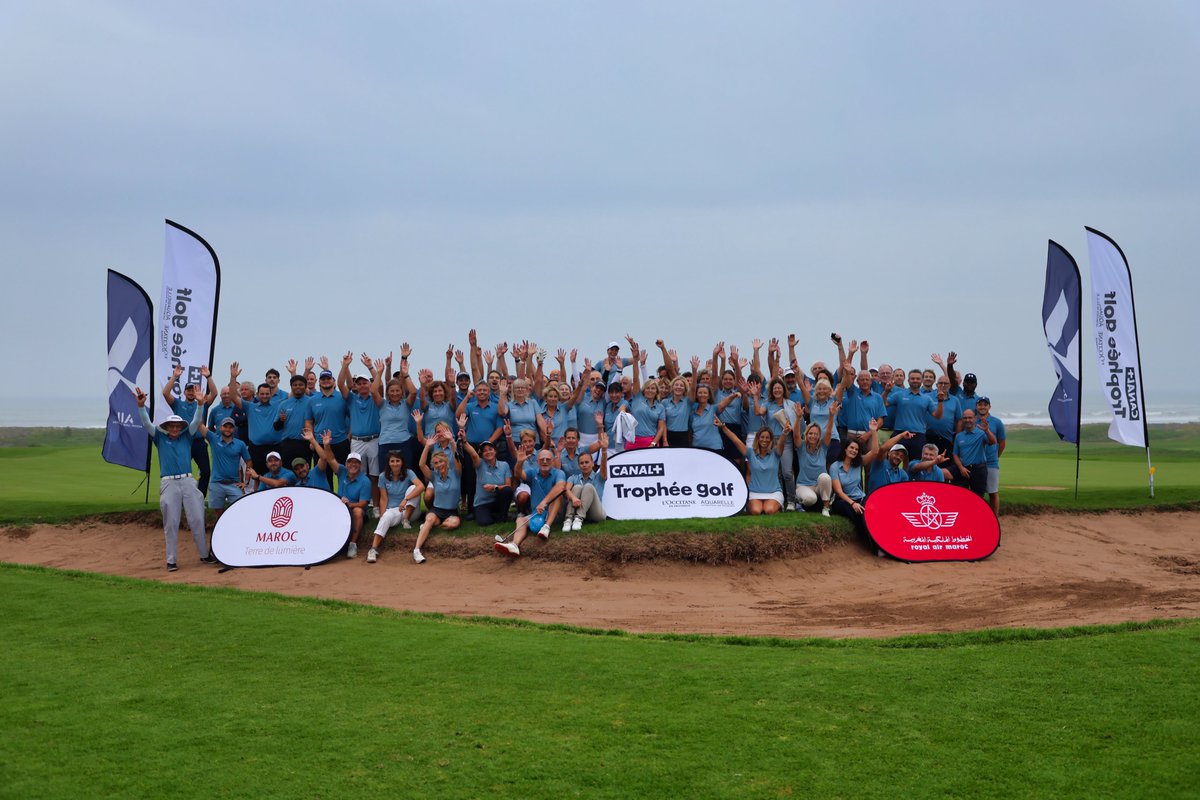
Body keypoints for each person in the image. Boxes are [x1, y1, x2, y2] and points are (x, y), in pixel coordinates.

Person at [134, 386, 212, 571]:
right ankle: (171, 560)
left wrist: (200, 405)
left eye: (178, 426)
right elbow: (147, 424)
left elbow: (195, 421)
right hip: (169, 483)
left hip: (187, 481)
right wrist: (140, 406)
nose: (175, 428)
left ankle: (204, 555)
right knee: (171, 523)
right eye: (172, 426)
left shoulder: (187, 437)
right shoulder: (160, 438)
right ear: (167, 427)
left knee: (198, 519)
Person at [495, 449, 567, 557]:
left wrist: (544, 502)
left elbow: (561, 487)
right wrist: (519, 462)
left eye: (548, 459)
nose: (545, 461)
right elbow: (518, 474)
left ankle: (546, 527)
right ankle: (514, 545)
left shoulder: (559, 473)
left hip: (554, 513)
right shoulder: (532, 472)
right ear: (537, 462)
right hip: (537, 513)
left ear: (552, 461)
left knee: (559, 495)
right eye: (542, 459)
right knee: (520, 519)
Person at [161, 364, 217, 496]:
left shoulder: (202, 402)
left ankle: (199, 498)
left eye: (193, 390)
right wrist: (174, 376)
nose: (191, 392)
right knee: (181, 472)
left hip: (198, 442)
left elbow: (214, 393)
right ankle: (179, 497)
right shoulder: (178, 404)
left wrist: (208, 377)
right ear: (184, 392)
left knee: (205, 471)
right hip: (183, 442)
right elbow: (165, 393)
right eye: (189, 390)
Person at [830, 419, 889, 536]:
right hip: (843, 501)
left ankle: (883, 536)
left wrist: (873, 431)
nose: (854, 451)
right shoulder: (835, 466)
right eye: (851, 448)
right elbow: (838, 491)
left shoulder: (859, 463)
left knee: (875, 512)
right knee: (853, 512)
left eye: (856, 449)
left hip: (860, 498)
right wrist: (852, 503)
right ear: (845, 448)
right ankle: (868, 538)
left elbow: (875, 451)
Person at [718, 419, 790, 516]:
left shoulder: (776, 453)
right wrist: (724, 428)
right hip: (754, 492)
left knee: (769, 510)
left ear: (771, 440)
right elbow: (736, 440)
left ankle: (773, 506)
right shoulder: (750, 453)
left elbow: (781, 443)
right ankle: (759, 505)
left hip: (773, 492)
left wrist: (784, 432)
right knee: (756, 511)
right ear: (758, 438)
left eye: (767, 438)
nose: (764, 440)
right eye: (762, 437)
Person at [366, 451, 424, 563]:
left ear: (402, 462)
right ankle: (373, 549)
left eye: (398, 461)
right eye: (392, 461)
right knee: (386, 516)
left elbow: (421, 486)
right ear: (388, 463)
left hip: (410, 510)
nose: (395, 463)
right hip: (394, 510)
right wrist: (382, 516)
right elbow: (383, 498)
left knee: (413, 488)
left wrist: (406, 499)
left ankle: (406, 520)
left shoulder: (409, 472)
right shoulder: (383, 476)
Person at [344, 354, 385, 512]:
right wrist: (345, 366)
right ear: (356, 386)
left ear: (369, 384)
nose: (362, 386)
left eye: (365, 383)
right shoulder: (352, 399)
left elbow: (379, 385)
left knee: (374, 476)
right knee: (357, 475)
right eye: (359, 384)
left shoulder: (375, 398)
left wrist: (371, 368)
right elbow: (342, 384)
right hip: (357, 441)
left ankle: (375, 506)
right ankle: (359, 506)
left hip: (374, 440)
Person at [413, 439, 462, 563]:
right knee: (430, 519)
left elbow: (457, 459)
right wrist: (427, 447)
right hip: (436, 510)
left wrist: (452, 443)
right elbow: (421, 465)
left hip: (452, 511)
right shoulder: (434, 476)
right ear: (434, 466)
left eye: (441, 462)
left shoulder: (456, 473)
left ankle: (428, 526)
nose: (439, 465)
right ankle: (417, 550)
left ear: (446, 462)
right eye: (436, 463)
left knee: (453, 524)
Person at [794, 401, 839, 516]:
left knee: (825, 477)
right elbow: (796, 435)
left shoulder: (823, 447)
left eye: (816, 434)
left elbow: (828, 433)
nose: (813, 436)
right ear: (806, 434)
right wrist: (799, 418)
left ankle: (826, 507)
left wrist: (831, 416)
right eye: (810, 433)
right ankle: (799, 502)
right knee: (810, 499)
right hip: (803, 485)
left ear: (819, 436)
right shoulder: (801, 446)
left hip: (819, 486)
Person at [205, 416, 251, 523]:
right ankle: (220, 534)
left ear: (234, 429)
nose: (228, 429)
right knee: (219, 513)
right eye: (225, 427)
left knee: (238, 510)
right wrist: (201, 405)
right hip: (216, 483)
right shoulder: (213, 438)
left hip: (234, 484)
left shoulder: (240, 444)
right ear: (221, 428)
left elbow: (248, 461)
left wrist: (246, 482)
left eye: (230, 427)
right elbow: (199, 425)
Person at [462, 438, 514, 527]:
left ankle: (501, 515)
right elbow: (474, 455)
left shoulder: (504, 465)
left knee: (508, 491)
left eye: (490, 449)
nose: (488, 452)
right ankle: (497, 516)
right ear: (482, 454)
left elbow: (508, 486)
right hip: (482, 503)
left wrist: (495, 487)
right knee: (484, 522)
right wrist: (464, 441)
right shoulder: (480, 464)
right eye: (485, 451)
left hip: (497, 501)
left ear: (495, 451)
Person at [562, 437, 608, 531]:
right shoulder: (573, 477)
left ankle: (578, 518)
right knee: (577, 487)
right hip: (577, 509)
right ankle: (568, 520)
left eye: (587, 462)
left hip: (596, 513)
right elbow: (566, 489)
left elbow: (604, 466)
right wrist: (573, 498)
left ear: (592, 464)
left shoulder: (599, 477)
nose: (584, 465)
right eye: (581, 463)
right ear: (579, 466)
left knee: (588, 487)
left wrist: (604, 451)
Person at [952, 408, 997, 498]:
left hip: (978, 470)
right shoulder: (959, 436)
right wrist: (961, 468)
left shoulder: (981, 433)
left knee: (978, 498)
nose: (967, 420)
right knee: (961, 495)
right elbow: (955, 454)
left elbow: (993, 441)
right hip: (964, 469)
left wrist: (987, 431)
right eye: (965, 418)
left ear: (975, 418)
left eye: (970, 418)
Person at [976, 397, 1006, 514]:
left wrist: (995, 456)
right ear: (976, 406)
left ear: (989, 407)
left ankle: (995, 519)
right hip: (977, 462)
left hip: (991, 463)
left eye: (985, 405)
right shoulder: (973, 421)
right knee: (978, 493)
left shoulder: (997, 422)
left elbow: (1002, 443)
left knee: (993, 492)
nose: (982, 407)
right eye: (980, 404)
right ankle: (981, 517)